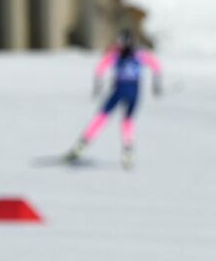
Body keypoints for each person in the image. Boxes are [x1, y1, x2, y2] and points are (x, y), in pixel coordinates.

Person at [65, 30, 162, 168]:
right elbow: (156, 66)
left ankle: (81, 145)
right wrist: (156, 85)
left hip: (120, 90)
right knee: (127, 121)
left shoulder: (116, 53)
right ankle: (128, 151)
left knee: (102, 117)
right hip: (134, 91)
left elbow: (100, 68)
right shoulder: (139, 54)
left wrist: (97, 85)